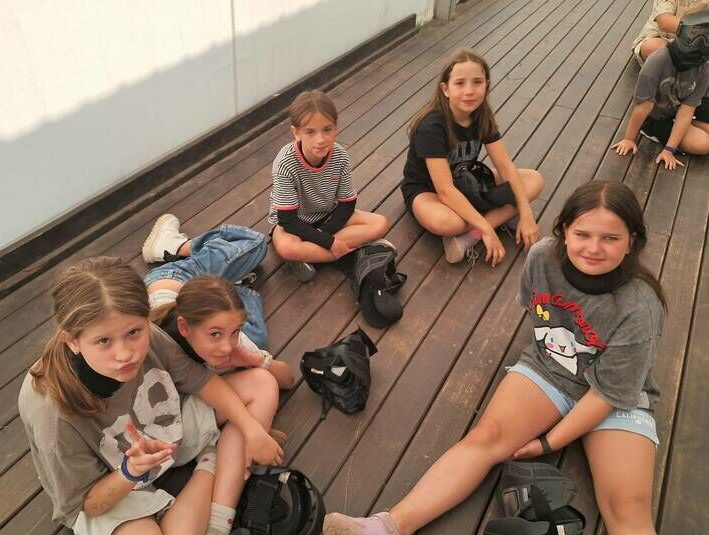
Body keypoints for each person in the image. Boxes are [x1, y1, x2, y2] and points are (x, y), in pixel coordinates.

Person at [323, 180, 666, 535]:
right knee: (485, 439)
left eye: (611, 238)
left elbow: (607, 394)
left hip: (613, 398)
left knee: (627, 509)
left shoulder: (640, 305)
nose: (594, 248)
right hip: (552, 369)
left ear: (632, 241)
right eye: (583, 234)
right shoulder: (542, 258)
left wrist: (549, 442)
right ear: (565, 230)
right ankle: (387, 529)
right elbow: (540, 317)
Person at [19, 257, 283, 535]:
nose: (125, 354)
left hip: (164, 435)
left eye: (134, 332)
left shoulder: (152, 337)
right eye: (103, 341)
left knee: (261, 384)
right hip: (109, 484)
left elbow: (202, 381)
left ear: (146, 319)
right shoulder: (49, 409)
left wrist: (252, 430)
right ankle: (216, 455)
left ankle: (218, 523)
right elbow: (88, 503)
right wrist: (130, 471)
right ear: (72, 340)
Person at [400, 48, 544, 268]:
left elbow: (505, 167)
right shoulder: (431, 126)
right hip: (429, 190)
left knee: (534, 180)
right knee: (447, 222)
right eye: (460, 83)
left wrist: (526, 213)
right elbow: (444, 190)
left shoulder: (481, 116)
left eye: (477, 82)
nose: (469, 91)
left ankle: (470, 236)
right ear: (445, 89)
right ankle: (491, 221)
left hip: (468, 181)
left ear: (486, 85)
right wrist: (487, 229)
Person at [268, 90, 391, 282]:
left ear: (335, 128)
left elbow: (347, 205)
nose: (320, 139)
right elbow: (287, 220)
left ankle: (310, 256)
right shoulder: (285, 163)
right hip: (293, 223)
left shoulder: (340, 156)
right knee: (287, 247)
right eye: (310, 132)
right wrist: (331, 243)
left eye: (327, 129)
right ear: (296, 133)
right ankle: (352, 254)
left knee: (380, 223)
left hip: (328, 215)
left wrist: (324, 236)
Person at [142, 214, 270, 349]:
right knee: (256, 340)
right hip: (188, 298)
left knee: (255, 243)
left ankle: (177, 246)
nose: (226, 348)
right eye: (215, 334)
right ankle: (234, 285)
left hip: (173, 281)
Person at [151, 274, 294, 389]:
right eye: (215, 334)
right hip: (166, 282)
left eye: (235, 331)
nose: (227, 347)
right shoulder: (159, 348)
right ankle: (243, 291)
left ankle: (241, 291)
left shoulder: (236, 343)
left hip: (183, 293)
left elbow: (288, 380)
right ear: (184, 328)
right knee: (258, 337)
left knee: (258, 339)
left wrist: (254, 359)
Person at [613, 6, 709, 168]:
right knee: (703, 144)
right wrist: (629, 139)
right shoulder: (658, 60)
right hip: (657, 116)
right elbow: (643, 106)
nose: (701, 42)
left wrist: (670, 149)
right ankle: (653, 132)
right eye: (695, 34)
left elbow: (687, 110)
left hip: (681, 107)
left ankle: (687, 127)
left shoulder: (704, 67)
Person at [632, 0, 702, 64]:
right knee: (652, 47)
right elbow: (665, 22)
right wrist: (697, 31)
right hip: (663, 37)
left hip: (699, 44)